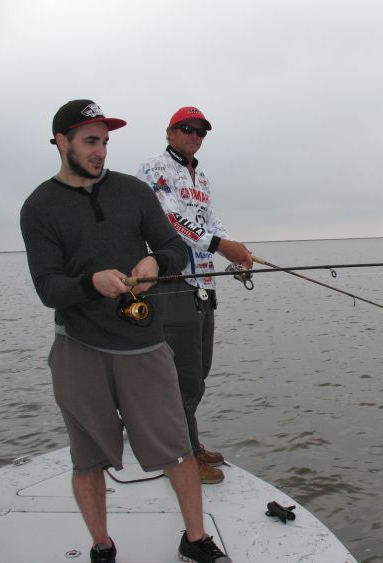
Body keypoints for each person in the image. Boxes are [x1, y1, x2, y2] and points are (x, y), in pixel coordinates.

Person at [20, 100, 230, 563]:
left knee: (177, 450)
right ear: (62, 141)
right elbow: (48, 287)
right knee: (88, 459)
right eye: (90, 141)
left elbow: (175, 247)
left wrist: (155, 261)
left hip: (144, 343)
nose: (100, 151)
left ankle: (195, 539)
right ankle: (102, 545)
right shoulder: (38, 207)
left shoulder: (133, 192)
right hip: (79, 348)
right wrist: (90, 284)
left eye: (105, 142)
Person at [136, 106, 253, 484]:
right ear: (170, 132)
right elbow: (170, 220)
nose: (194, 136)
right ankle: (182, 456)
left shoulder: (200, 176)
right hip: (173, 283)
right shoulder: (155, 168)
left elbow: (210, 219)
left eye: (201, 131)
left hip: (204, 282)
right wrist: (221, 246)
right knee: (181, 377)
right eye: (186, 129)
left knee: (198, 374)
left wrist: (235, 247)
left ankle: (190, 443)